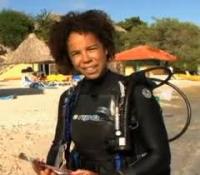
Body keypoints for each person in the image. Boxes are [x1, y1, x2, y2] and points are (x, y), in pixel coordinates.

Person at [34, 9, 171, 175]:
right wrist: (50, 169)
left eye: (91, 49)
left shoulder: (135, 93)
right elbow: (58, 145)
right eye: (76, 53)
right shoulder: (69, 99)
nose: (85, 59)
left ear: (105, 48)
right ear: (68, 57)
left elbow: (161, 156)